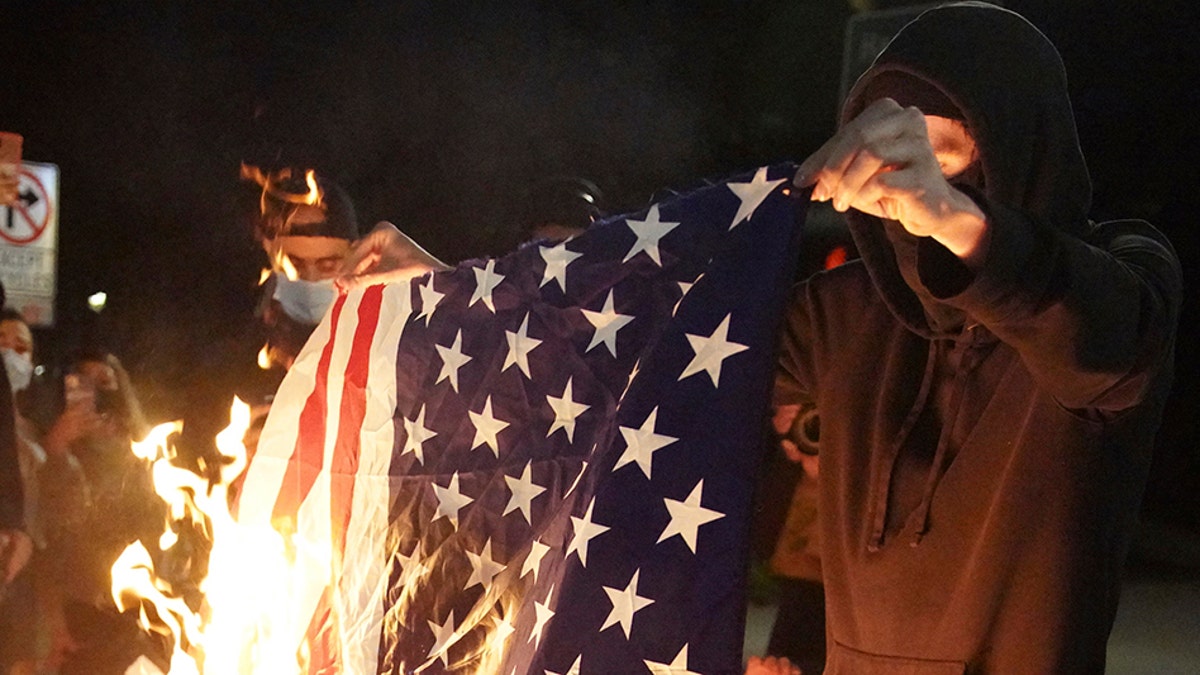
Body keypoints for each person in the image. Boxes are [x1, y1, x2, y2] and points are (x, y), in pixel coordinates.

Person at [774, 3, 1180, 672]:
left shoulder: (1117, 272)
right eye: (889, 160)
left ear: (1014, 148)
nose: (904, 189)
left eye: (940, 156)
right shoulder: (845, 314)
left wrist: (952, 218)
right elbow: (677, 359)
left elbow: (1109, 347)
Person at [250, 168, 360, 370]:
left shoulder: (389, 334)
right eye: (295, 265)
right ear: (271, 252)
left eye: (328, 266)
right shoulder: (240, 343)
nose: (310, 279)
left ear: (356, 255)